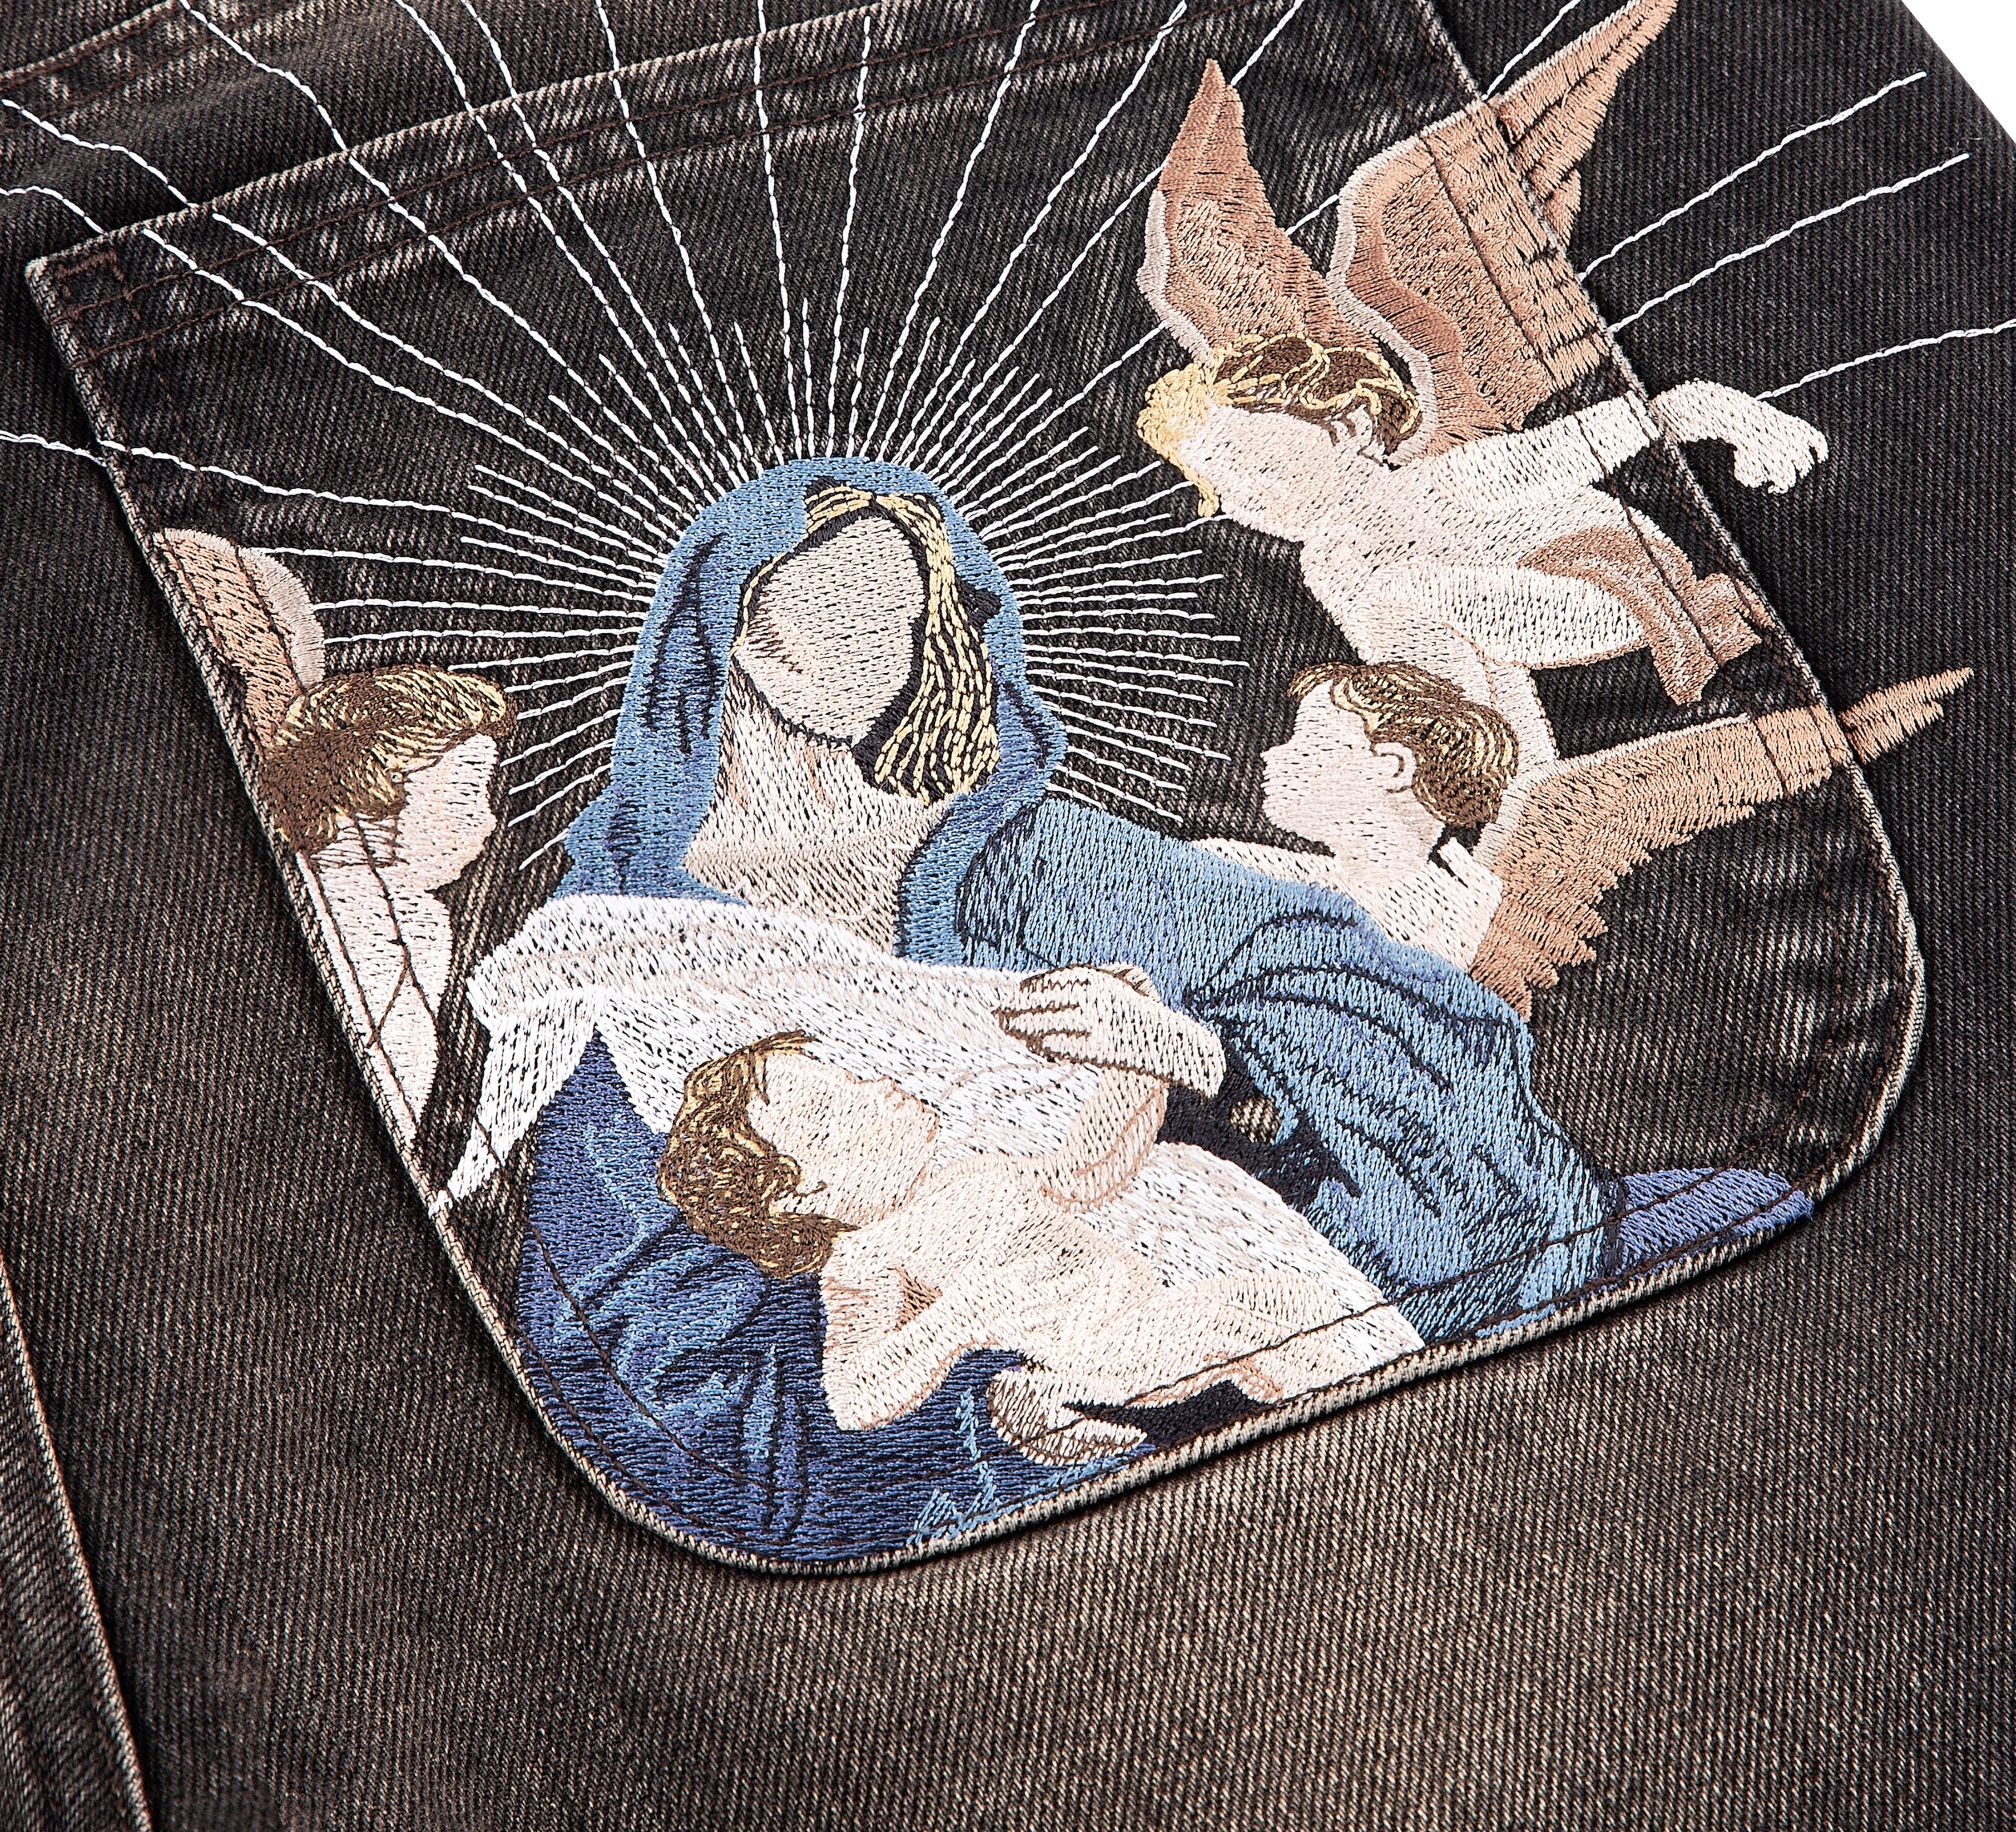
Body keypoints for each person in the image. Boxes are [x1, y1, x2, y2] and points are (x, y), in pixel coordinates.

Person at [471, 460, 1792, 1563]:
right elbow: (648, 1350)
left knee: (1734, 1226)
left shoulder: (1028, 852)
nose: (875, 640)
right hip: (1053, 1509)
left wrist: (1192, 1052)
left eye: (903, 610)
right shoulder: (632, 948)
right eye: (834, 604)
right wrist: (984, 1416)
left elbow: (1358, 990)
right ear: (735, 620)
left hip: (1267, 1291)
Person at [659, 1023, 1417, 1466]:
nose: (875, 1086)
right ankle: (1379, 1421)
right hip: (1103, 1347)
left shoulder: (967, 1176)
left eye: (851, 1074)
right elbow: (854, 1397)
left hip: (1142, 1314)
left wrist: (1134, 1062)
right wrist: (958, 1318)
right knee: (1257, 1323)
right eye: (836, 1110)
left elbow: (1085, 1171)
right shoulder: (866, 1259)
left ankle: (1367, 1402)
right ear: (804, 1195)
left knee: (1279, 1322)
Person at [1138, 329, 1828, 761]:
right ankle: (1513, 770)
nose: (1254, 500)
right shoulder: (1327, 564)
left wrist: (1726, 415)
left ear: (1348, 427)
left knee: (1405, 592)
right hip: (1519, 645)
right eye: (1226, 492)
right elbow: (1413, 669)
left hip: (1612, 575)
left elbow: (1576, 445)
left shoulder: (1434, 485)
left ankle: (1496, 759)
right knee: (1404, 649)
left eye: (1260, 466)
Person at [256, 665, 514, 1129]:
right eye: (468, 790)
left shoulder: (416, 919)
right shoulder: (367, 915)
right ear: (380, 787)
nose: (488, 820)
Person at [1202, 660, 1518, 973]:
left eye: (1308, 740)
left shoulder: (1469, 923)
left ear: (1393, 767)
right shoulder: (1229, 868)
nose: (1273, 754)